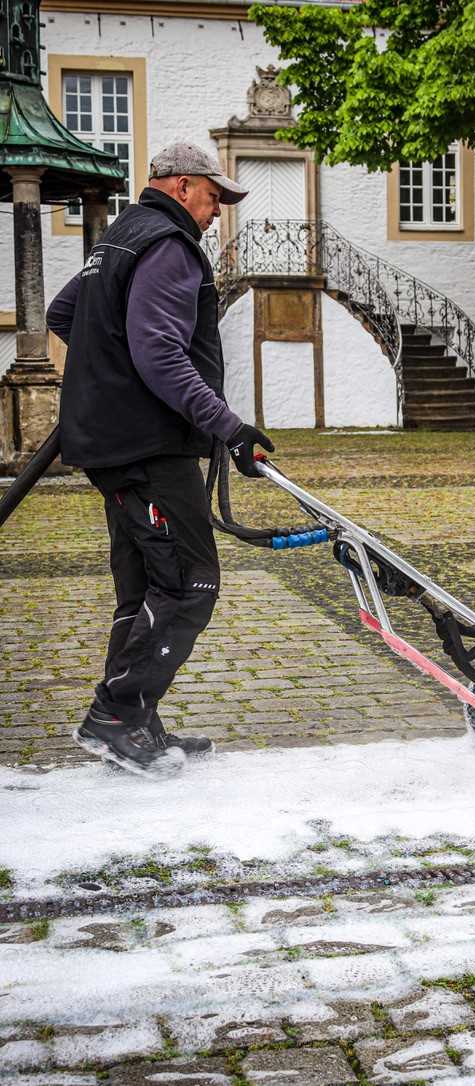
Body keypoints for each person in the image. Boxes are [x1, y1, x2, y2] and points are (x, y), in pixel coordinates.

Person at [47, 142, 274, 777]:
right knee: (189, 584)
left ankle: (136, 720)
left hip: (111, 445)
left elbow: (64, 314)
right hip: (150, 448)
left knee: (145, 586)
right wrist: (228, 426)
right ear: (180, 187)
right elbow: (159, 351)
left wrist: (106, 373)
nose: (218, 212)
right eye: (214, 197)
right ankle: (117, 716)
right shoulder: (170, 245)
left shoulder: (118, 238)